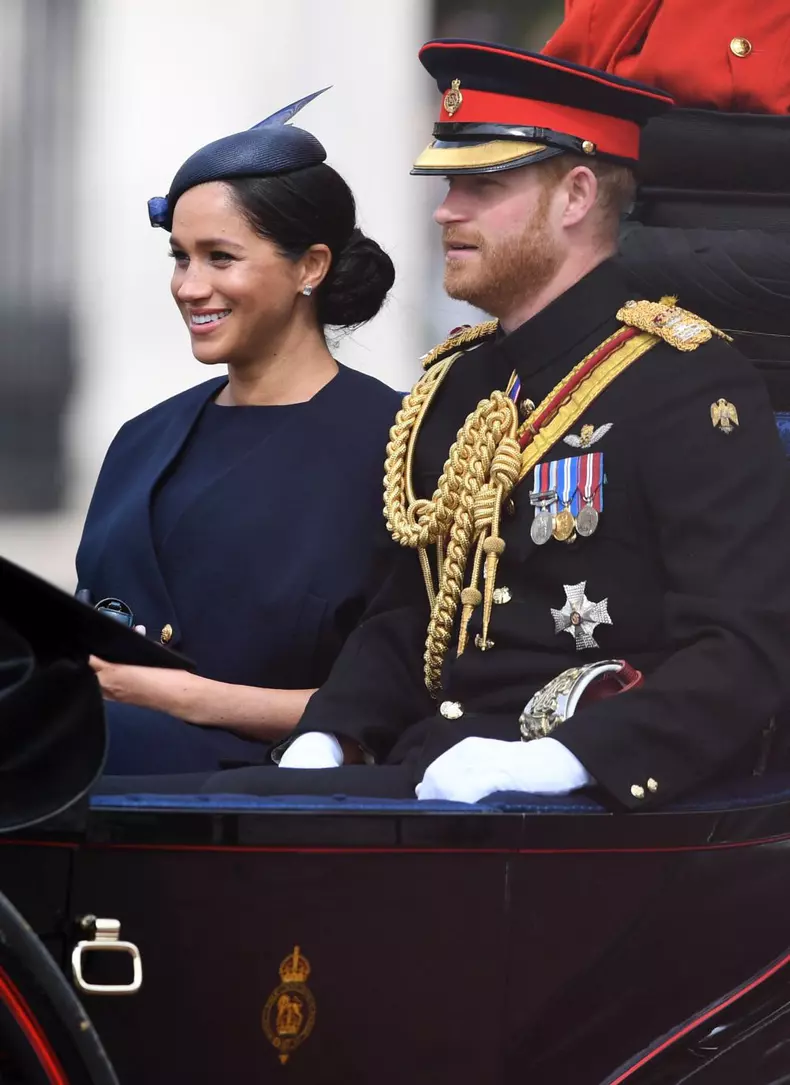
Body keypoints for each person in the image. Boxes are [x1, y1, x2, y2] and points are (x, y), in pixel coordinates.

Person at [260, 39, 790, 808]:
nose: (446, 211)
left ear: (575, 196)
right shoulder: (457, 382)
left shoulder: (686, 382)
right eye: (447, 184)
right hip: (426, 772)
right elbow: (409, 614)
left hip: (594, 810)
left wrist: (566, 760)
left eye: (482, 184)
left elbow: (741, 654)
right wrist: (328, 734)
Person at [77, 91, 401, 775]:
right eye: (180, 257)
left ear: (309, 266)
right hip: (96, 787)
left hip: (267, 804)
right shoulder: (143, 438)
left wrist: (183, 697)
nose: (190, 287)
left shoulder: (396, 443)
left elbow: (405, 696)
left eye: (220, 258)